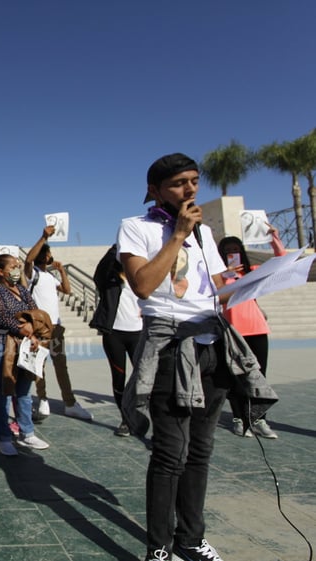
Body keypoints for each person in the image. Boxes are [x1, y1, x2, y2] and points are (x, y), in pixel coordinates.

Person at [119, 152, 277, 561]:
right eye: (178, 183)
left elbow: (215, 292)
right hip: (171, 347)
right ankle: (159, 548)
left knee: (201, 450)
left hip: (212, 345)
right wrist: (177, 235)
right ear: (154, 190)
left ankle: (191, 538)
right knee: (172, 451)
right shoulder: (136, 228)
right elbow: (144, 286)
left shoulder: (205, 234)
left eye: (194, 180)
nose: (190, 189)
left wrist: (263, 278)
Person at [217, 229, 286, 438]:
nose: (232, 253)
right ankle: (240, 419)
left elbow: (281, 261)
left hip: (256, 328)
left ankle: (259, 419)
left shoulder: (253, 271)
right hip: (232, 330)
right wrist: (226, 273)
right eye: (228, 251)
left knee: (259, 377)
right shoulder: (219, 276)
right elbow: (214, 293)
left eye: (236, 250)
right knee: (236, 377)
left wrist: (274, 238)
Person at [0, 253, 51, 456]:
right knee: (4, 390)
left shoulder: (21, 289)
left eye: (18, 265)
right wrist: (22, 327)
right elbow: (2, 317)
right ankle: (3, 437)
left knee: (24, 390)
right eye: (12, 266)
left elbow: (36, 311)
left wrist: (32, 327)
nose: (17, 268)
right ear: (0, 271)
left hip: (26, 344)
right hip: (2, 344)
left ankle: (27, 432)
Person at [24, 229, 93, 421]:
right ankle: (43, 400)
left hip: (56, 326)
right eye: (48, 253)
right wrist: (44, 237)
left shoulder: (49, 276)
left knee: (61, 365)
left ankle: (69, 402)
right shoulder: (33, 274)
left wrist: (62, 271)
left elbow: (67, 290)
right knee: (40, 366)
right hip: (40, 327)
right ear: (43, 255)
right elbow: (28, 260)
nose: (50, 256)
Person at [89, 243, 142, 436]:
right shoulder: (109, 279)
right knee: (119, 378)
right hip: (115, 335)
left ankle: (140, 413)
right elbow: (99, 272)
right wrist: (117, 247)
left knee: (143, 376)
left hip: (139, 334)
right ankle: (126, 420)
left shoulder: (141, 276)